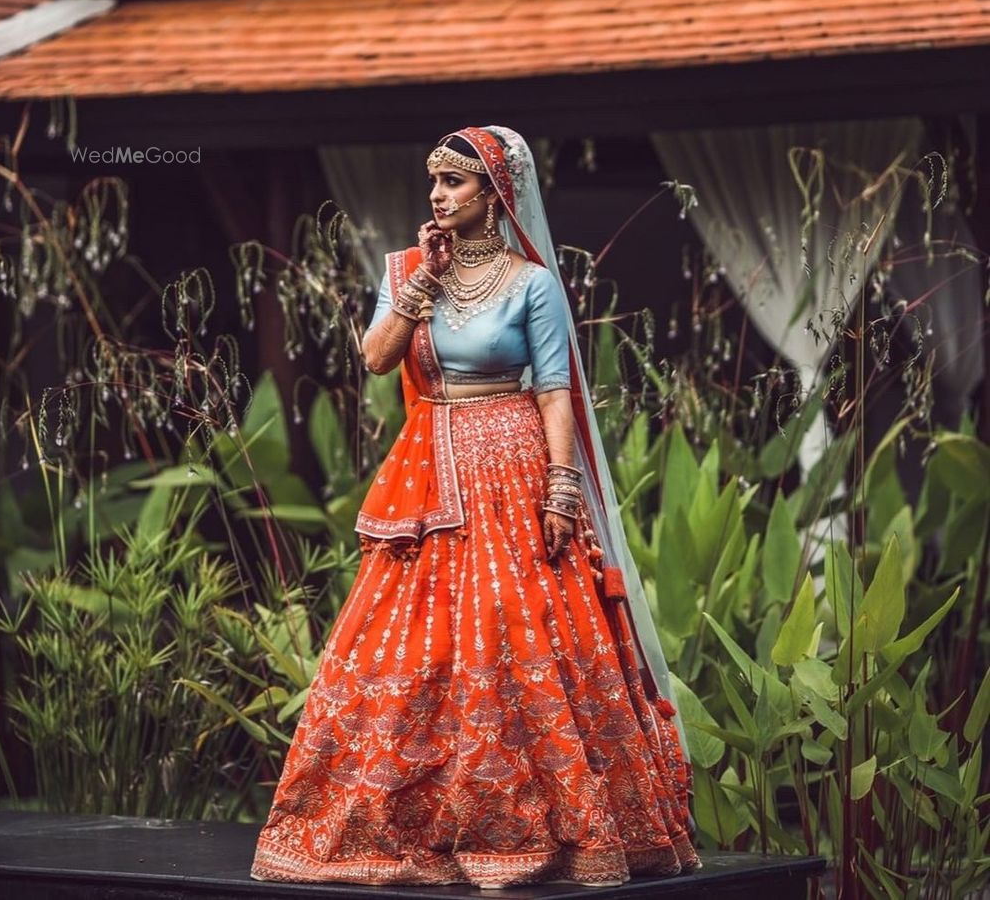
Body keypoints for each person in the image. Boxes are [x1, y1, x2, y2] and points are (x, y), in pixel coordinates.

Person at [250, 126, 699, 888]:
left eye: (454, 183)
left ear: (494, 197)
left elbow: (554, 388)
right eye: (434, 182)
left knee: (519, 634)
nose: (437, 195)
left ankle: (545, 827)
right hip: (432, 473)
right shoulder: (409, 270)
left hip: (514, 467)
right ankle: (412, 821)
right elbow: (376, 356)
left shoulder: (531, 283)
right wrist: (424, 280)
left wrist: (562, 488)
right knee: (411, 641)